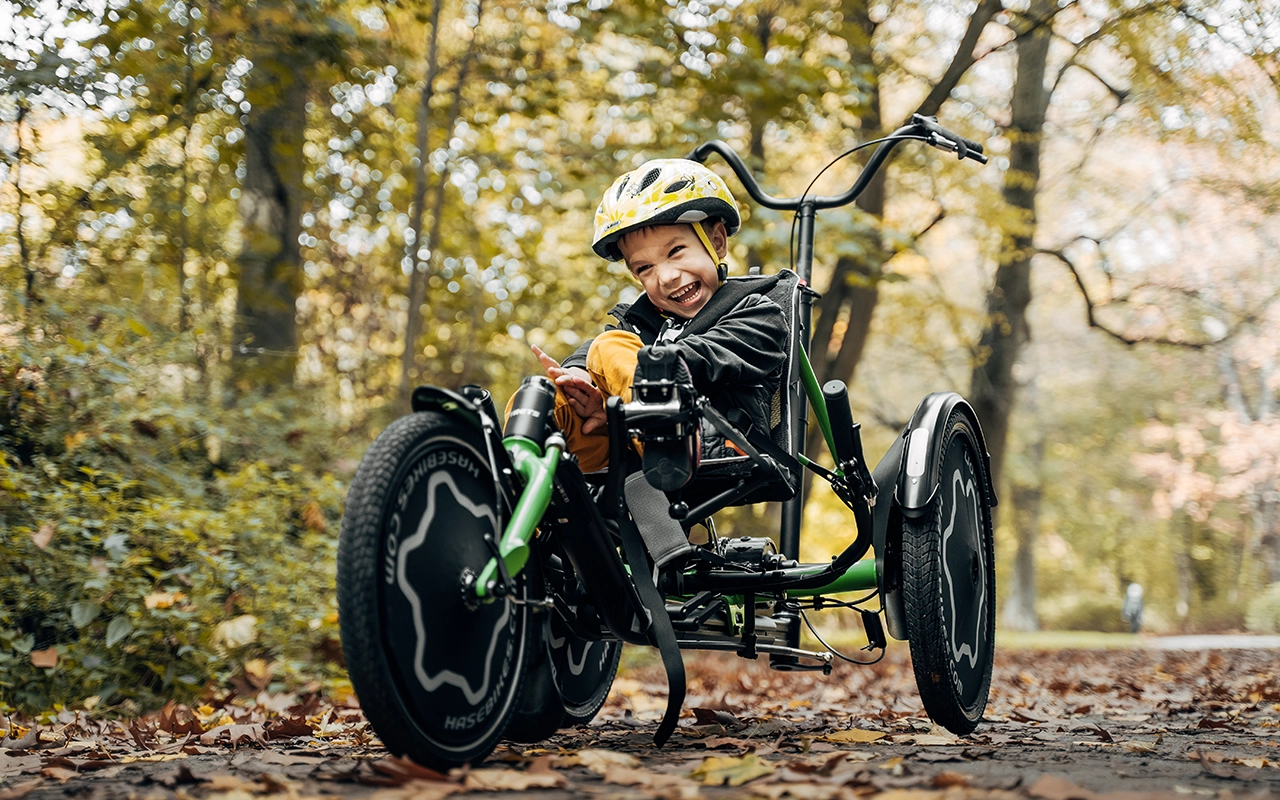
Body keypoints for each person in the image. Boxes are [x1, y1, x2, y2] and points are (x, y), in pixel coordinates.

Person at [527, 158, 790, 474]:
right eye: (644, 268)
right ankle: (505, 489)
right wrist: (581, 381)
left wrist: (645, 370)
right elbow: (590, 354)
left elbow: (707, 357)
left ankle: (664, 430)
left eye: (675, 251)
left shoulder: (758, 314)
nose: (665, 277)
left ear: (717, 242)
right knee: (547, 398)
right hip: (634, 453)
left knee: (608, 347)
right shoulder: (643, 323)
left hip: (711, 440)